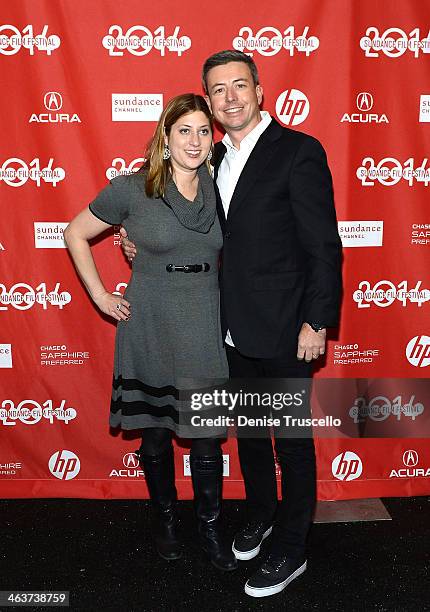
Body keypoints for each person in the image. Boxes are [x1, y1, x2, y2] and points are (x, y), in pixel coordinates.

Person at [121, 50, 342, 598]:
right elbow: (181, 222)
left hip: (287, 326)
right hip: (225, 328)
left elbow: (323, 247)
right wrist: (137, 243)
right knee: (246, 436)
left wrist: (317, 321)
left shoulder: (298, 151)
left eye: (239, 85)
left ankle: (292, 548)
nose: (230, 98)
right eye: (218, 90)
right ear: (210, 101)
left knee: (290, 442)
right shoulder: (210, 157)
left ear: (260, 90)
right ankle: (263, 515)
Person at [64, 93, 237, 572]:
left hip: (204, 318)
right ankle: (164, 517)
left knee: (206, 437)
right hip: (151, 323)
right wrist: (101, 295)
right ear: (165, 136)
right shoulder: (131, 189)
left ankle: (209, 524)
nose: (196, 141)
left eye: (205, 131)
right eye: (185, 130)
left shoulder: (220, 184)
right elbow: (74, 232)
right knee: (157, 433)